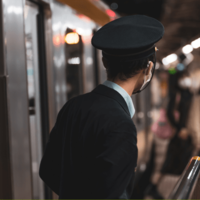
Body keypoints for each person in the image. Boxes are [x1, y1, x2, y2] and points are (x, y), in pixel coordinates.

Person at [39, 15, 164, 199]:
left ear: (105, 63)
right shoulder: (122, 125)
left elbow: (47, 170)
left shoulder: (73, 106)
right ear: (148, 69)